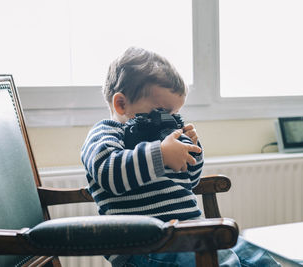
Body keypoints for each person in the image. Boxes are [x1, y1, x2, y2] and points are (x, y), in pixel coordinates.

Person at [81, 47, 280, 267]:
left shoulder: (164, 138)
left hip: (189, 232)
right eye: (161, 112)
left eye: (175, 114)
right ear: (121, 104)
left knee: (257, 257)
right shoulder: (105, 134)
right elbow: (108, 173)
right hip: (142, 245)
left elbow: (190, 182)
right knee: (222, 261)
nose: (170, 120)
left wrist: (192, 150)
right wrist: (161, 155)